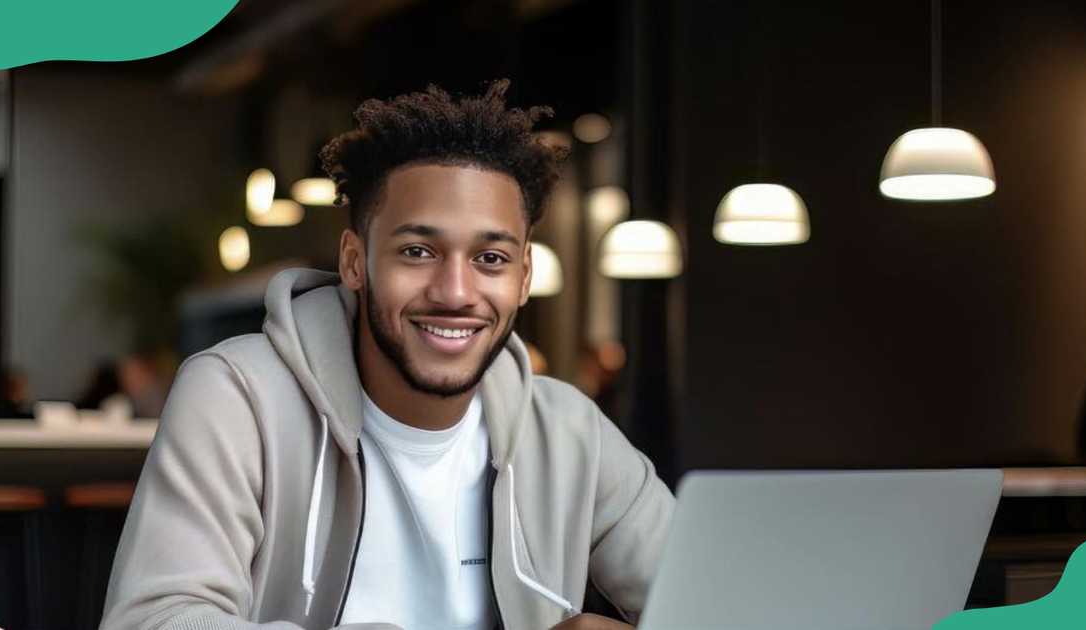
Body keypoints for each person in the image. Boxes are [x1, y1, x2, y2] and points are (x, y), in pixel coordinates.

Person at [100, 80, 673, 630]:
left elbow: (714, 600)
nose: (455, 292)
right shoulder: (239, 396)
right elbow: (155, 620)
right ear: (355, 261)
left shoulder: (568, 429)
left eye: (490, 259)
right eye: (418, 251)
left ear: (523, 277)